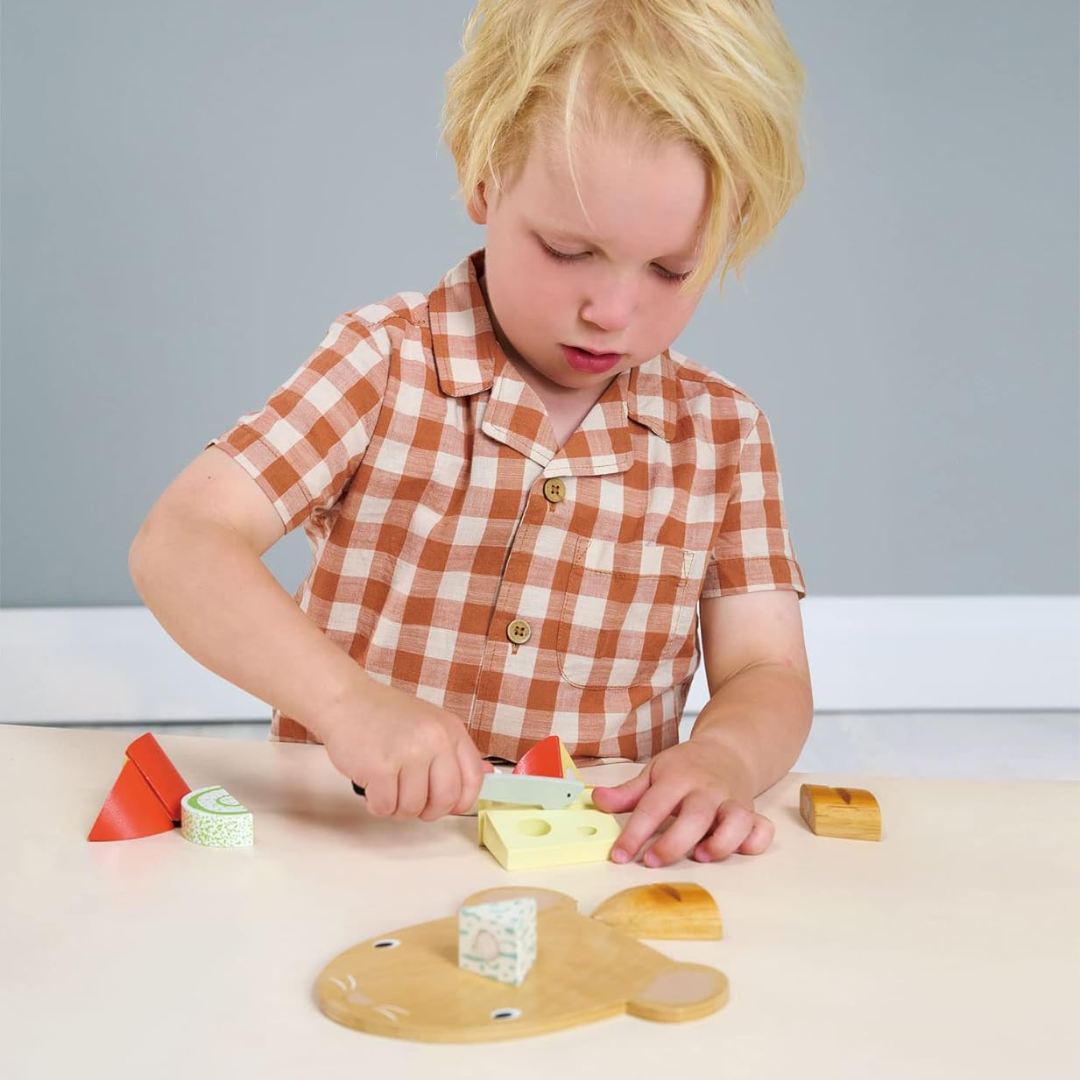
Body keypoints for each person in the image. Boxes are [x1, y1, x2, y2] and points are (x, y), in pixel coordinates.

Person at [129, 0, 813, 868]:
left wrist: (726, 758)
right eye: (569, 251)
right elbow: (181, 541)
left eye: (672, 270)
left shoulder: (723, 437)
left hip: (597, 862)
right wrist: (345, 703)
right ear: (484, 175)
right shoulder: (383, 362)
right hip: (351, 841)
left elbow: (769, 674)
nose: (611, 311)